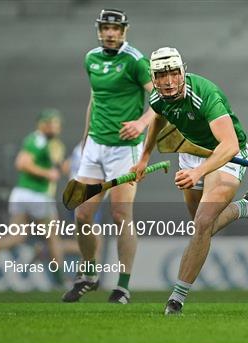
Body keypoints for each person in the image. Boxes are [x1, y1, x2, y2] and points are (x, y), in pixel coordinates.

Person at [131, 47, 248, 315]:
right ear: (153, 77)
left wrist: (198, 173)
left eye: (174, 73)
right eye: (161, 75)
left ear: (183, 71)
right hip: (191, 152)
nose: (169, 81)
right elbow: (158, 119)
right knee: (201, 224)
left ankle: (176, 298)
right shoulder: (158, 98)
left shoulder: (205, 95)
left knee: (202, 224)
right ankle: (247, 208)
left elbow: (229, 145)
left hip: (227, 154)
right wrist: (143, 157)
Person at [62, 9, 156, 304]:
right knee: (82, 213)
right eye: (105, 28)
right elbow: (95, 99)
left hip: (125, 150)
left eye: (116, 29)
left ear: (124, 31)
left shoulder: (136, 61)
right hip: (94, 146)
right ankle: (89, 275)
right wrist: (84, 137)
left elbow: (159, 100)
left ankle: (123, 286)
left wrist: (141, 123)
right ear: (99, 30)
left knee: (120, 215)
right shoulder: (91, 59)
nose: (110, 33)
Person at [0, 109, 67, 286]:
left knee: (17, 237)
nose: (54, 127)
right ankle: (60, 281)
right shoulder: (38, 139)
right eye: (50, 123)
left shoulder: (48, 143)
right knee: (53, 238)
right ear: (41, 124)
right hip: (37, 196)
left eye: (56, 124)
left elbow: (57, 165)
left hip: (21, 194)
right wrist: (47, 173)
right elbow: (22, 163)